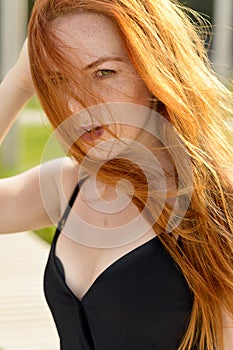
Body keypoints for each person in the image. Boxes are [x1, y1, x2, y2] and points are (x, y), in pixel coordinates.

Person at [0, 0, 233, 349]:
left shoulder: (219, 204)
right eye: (59, 79)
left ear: (155, 70)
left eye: (104, 73)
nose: (78, 105)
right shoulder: (70, 184)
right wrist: (19, 81)